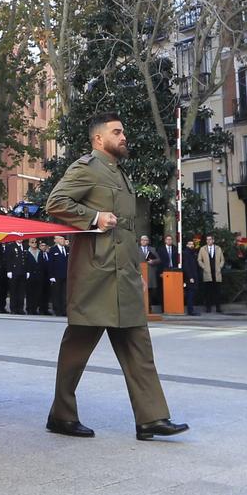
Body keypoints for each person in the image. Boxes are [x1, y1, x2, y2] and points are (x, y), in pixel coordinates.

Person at [43, 116, 187, 441]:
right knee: (76, 349)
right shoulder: (86, 168)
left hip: (125, 277)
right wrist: (94, 217)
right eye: (117, 132)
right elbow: (56, 202)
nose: (124, 136)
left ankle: (151, 418)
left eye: (124, 130)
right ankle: (61, 415)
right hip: (96, 277)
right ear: (98, 139)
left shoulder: (121, 174)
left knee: (139, 347)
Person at [194, 233, 224, 315]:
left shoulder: (218, 248)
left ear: (213, 240)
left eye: (210, 239)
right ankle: (208, 307)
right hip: (207, 273)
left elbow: (222, 260)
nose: (208, 241)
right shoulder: (203, 249)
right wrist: (204, 267)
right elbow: (199, 260)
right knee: (208, 292)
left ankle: (218, 307)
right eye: (207, 239)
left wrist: (220, 267)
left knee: (217, 291)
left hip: (216, 273)